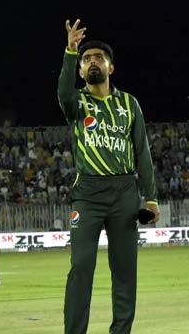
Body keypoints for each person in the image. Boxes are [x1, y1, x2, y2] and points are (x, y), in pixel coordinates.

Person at [59, 19, 159, 334]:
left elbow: (142, 151)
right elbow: (62, 93)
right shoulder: (77, 102)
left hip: (124, 193)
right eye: (87, 59)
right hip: (87, 193)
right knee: (81, 265)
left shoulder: (130, 104)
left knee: (125, 271)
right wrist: (70, 52)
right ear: (80, 69)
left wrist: (151, 197)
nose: (92, 62)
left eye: (98, 58)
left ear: (110, 68)